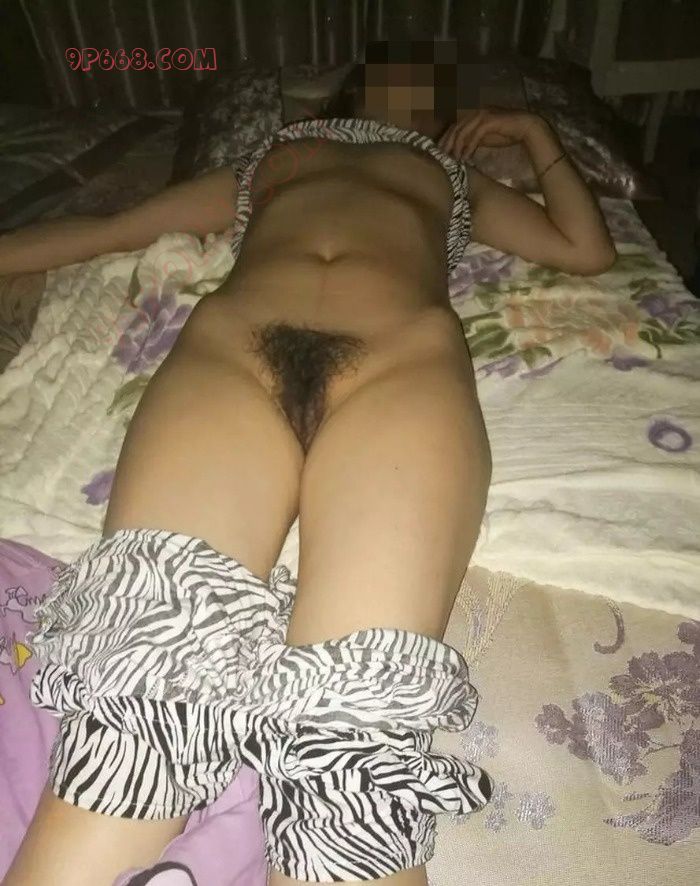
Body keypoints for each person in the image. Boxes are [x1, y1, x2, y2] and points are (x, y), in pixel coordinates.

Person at [3, 40, 616, 886]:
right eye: (393, 70)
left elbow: (586, 251)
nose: (409, 82)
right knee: (143, 686)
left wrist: (537, 131)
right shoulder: (273, 157)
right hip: (232, 360)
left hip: (398, 366)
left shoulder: (458, 177)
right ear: (350, 89)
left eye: (429, 81)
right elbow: (112, 230)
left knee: (353, 738)